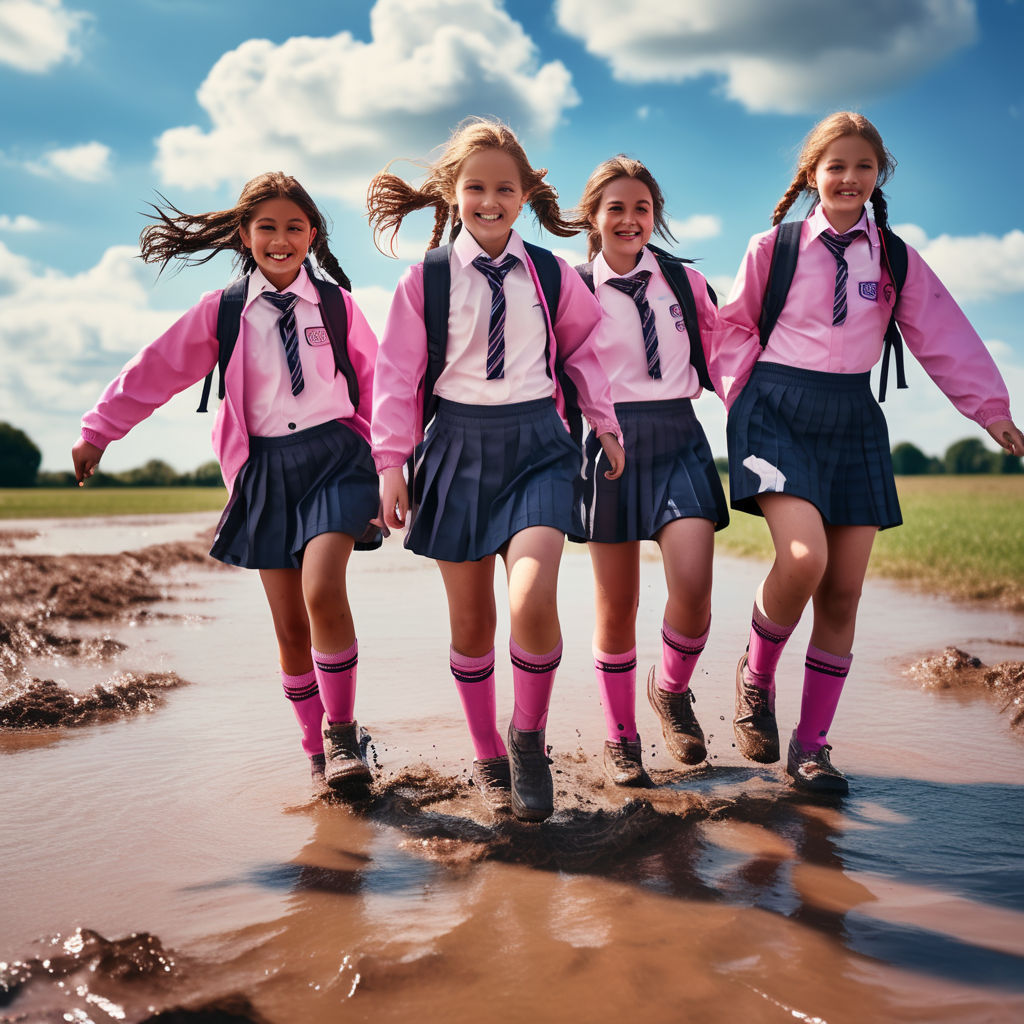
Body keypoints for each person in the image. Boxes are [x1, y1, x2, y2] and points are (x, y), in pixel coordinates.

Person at [713, 112, 1023, 795]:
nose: (849, 177)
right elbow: (732, 329)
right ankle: (756, 676)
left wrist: (990, 410)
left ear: (878, 174)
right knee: (804, 560)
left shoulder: (895, 257)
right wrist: (741, 401)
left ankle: (812, 749)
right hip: (776, 411)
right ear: (812, 176)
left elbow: (944, 333)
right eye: (835, 166)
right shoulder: (775, 245)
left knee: (844, 593)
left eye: (862, 166)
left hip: (853, 417)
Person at [72, 172, 382, 797]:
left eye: (295, 226)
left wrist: (392, 463)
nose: (281, 238)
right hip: (265, 471)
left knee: (323, 590)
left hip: (337, 459)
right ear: (245, 235)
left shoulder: (338, 308)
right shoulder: (224, 312)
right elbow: (155, 368)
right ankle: (316, 750)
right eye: (267, 226)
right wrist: (100, 429)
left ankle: (343, 735)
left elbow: (381, 385)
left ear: (312, 234)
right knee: (290, 628)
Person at [366, 118, 624, 822]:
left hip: (539, 442)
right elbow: (395, 376)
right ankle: (486, 754)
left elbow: (582, 351)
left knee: (533, 598)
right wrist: (391, 463)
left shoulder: (550, 273)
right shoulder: (425, 281)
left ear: (523, 194)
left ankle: (528, 739)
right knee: (473, 624)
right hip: (455, 449)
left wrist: (602, 418)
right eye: (475, 186)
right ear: (453, 193)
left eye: (503, 188)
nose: (489, 199)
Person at [568, 156, 728, 785]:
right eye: (616, 208)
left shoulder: (685, 285)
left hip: (679, 436)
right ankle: (620, 737)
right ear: (593, 217)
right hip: (608, 444)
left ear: (654, 216)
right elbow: (561, 372)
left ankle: (671, 690)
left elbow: (725, 357)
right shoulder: (572, 288)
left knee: (692, 583)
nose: (630, 219)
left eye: (641, 208)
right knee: (618, 604)